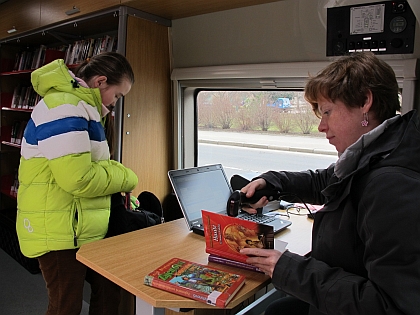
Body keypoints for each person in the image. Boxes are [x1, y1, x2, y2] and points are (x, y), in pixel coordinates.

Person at [239, 52, 420, 315]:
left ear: (365, 102)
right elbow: (328, 181)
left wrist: (289, 269)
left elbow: (389, 307)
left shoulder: (393, 185)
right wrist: (273, 181)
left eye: (327, 111)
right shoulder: (384, 149)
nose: (321, 126)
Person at [16, 52, 139, 315]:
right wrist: (127, 178)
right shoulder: (65, 107)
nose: (115, 103)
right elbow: (79, 178)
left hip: (79, 223)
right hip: (58, 229)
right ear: (100, 82)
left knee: (107, 292)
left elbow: (93, 166)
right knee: (65, 306)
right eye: (117, 96)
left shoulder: (84, 109)